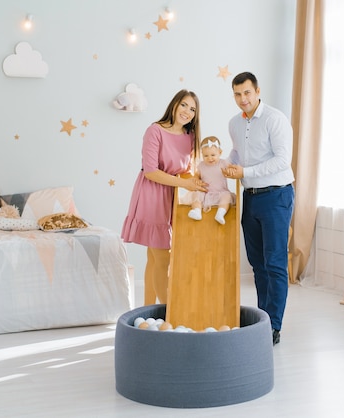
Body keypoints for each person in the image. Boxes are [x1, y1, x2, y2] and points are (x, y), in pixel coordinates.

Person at [222, 72, 295, 345]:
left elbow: (282, 160)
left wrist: (245, 171)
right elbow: (237, 154)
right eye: (238, 94)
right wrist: (223, 164)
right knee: (257, 264)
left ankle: (273, 326)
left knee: (275, 263)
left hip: (276, 195)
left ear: (257, 91)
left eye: (247, 93)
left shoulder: (275, 119)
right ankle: (263, 319)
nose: (243, 99)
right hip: (249, 197)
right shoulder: (234, 124)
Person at [121, 89, 207, 304]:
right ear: (175, 104)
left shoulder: (191, 137)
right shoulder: (155, 130)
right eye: (184, 105)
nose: (187, 112)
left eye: (193, 109)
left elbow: (189, 169)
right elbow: (151, 171)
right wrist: (184, 183)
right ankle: (171, 312)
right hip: (151, 194)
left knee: (154, 258)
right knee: (162, 257)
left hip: (173, 197)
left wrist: (200, 183)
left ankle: (148, 313)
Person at [186, 136, 236, 225]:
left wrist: (230, 171)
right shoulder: (201, 165)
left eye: (213, 155)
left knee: (227, 196)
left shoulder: (223, 163)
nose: (210, 158)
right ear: (202, 154)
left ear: (220, 153)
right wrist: (197, 179)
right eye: (206, 156)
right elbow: (197, 175)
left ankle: (220, 213)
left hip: (221, 193)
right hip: (206, 194)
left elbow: (232, 169)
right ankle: (197, 211)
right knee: (196, 194)